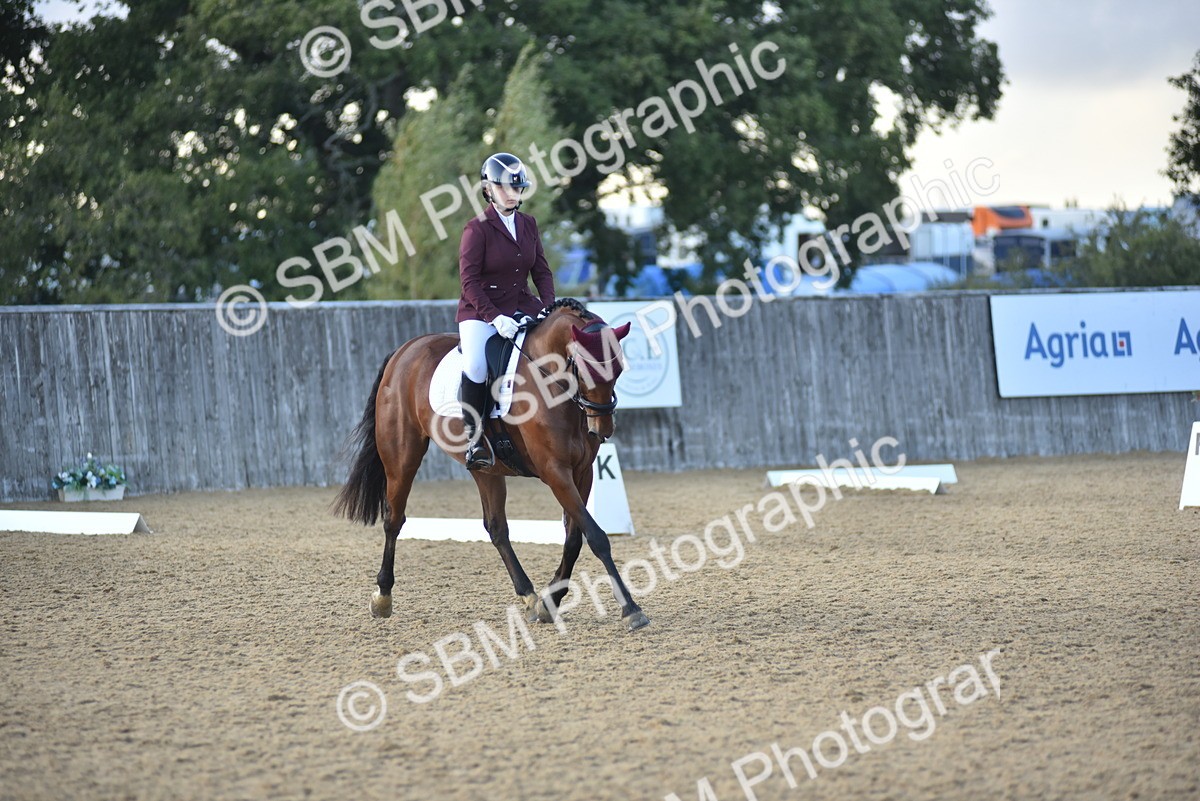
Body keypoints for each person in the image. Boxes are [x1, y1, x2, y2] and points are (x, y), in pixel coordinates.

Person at [456, 152, 556, 470]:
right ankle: (474, 441)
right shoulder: (477, 229)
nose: (513, 194)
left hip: (522, 306)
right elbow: (469, 281)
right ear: (489, 189)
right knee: (475, 365)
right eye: (505, 188)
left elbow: (541, 272)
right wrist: (494, 317)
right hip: (480, 312)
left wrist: (549, 308)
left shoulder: (528, 224)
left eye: (518, 188)